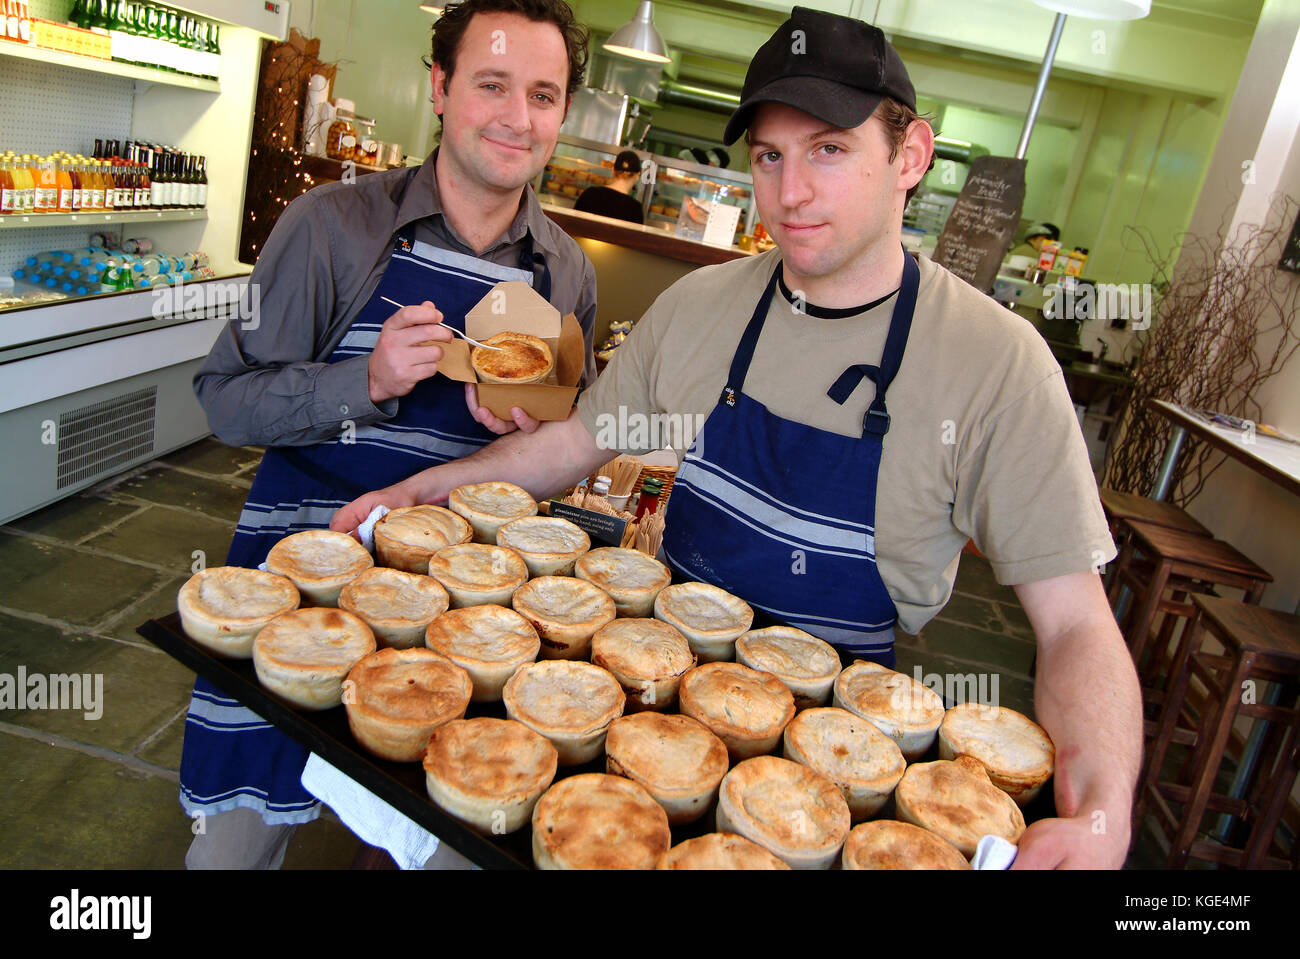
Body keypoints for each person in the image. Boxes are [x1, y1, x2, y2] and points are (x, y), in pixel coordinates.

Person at [334, 6, 1142, 869]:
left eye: (829, 148)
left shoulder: (998, 366)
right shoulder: (701, 308)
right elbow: (569, 446)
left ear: (909, 156)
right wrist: (423, 491)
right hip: (653, 702)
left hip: (838, 771)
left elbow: (1074, 628)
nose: (790, 192)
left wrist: (1099, 813)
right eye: (770, 155)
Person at [179, 0, 598, 869]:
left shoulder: (566, 274)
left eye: (544, 95)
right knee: (237, 846)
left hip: (463, 620)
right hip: (302, 583)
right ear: (440, 88)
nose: (519, 118)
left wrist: (524, 439)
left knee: (433, 834)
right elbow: (223, 400)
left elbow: (558, 466)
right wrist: (362, 382)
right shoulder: (331, 227)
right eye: (492, 85)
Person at [573, 149, 645, 223]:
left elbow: (572, 224)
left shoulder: (590, 193)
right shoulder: (635, 209)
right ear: (638, 175)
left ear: (613, 170)